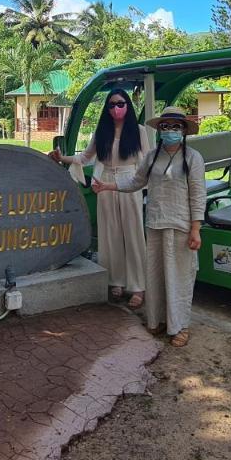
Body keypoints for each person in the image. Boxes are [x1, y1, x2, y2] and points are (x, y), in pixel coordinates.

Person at [93, 106, 205, 347]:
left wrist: (196, 228)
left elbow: (198, 195)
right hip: (155, 224)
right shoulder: (152, 155)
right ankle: (157, 320)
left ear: (184, 130)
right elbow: (136, 181)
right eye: (165, 126)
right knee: (155, 276)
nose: (170, 131)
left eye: (176, 126)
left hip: (181, 225)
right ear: (159, 129)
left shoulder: (193, 157)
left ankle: (180, 326)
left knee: (180, 277)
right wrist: (108, 186)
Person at [49, 88, 149, 308]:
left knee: (132, 234)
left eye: (121, 104)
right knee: (110, 233)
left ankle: (138, 285)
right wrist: (61, 157)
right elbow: (85, 157)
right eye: (112, 104)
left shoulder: (139, 131)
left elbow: (146, 162)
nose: (116, 108)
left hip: (129, 182)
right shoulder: (101, 131)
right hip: (104, 185)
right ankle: (116, 280)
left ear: (128, 106)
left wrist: (145, 186)